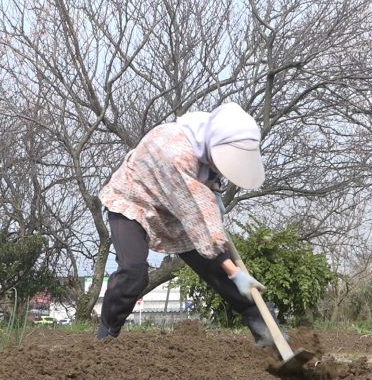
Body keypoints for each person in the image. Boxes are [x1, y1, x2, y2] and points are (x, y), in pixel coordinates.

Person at [96, 103, 274, 345]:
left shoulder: (209, 132)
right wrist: (235, 273)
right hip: (133, 200)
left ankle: (269, 335)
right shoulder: (177, 153)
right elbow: (199, 220)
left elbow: (213, 170)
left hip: (173, 205)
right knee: (133, 271)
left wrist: (215, 189)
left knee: (216, 268)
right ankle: (105, 339)